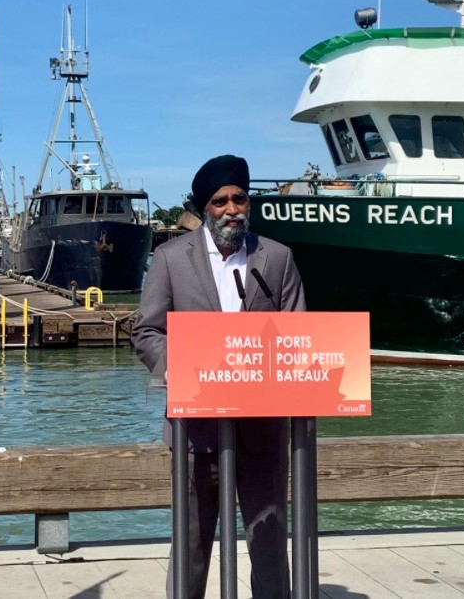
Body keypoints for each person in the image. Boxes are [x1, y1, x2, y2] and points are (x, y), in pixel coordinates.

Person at [132, 154, 306, 599]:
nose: (232, 210)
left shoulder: (277, 258)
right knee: (191, 545)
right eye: (220, 201)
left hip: (263, 431)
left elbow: (297, 334)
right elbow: (146, 331)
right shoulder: (171, 258)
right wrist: (177, 365)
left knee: (270, 545)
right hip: (196, 432)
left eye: (239, 199)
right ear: (204, 208)